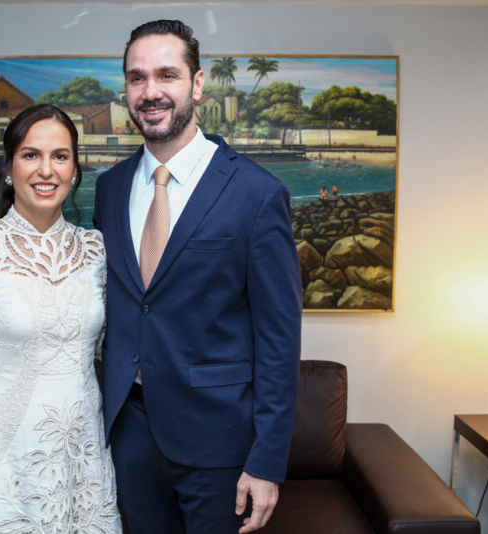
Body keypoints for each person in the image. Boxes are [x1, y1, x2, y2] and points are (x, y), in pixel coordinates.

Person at [92, 20, 302, 534]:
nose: (151, 91)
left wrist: (267, 460)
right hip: (128, 432)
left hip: (220, 439)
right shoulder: (109, 189)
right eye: (137, 78)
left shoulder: (256, 193)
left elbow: (279, 339)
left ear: (198, 83)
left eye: (167, 74)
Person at [0, 104, 123, 534]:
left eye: (60, 156)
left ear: (74, 170)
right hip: (3, 463)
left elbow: (119, 349)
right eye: (31, 155)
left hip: (84, 463)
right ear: (10, 167)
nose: (46, 170)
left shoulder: (97, 251)